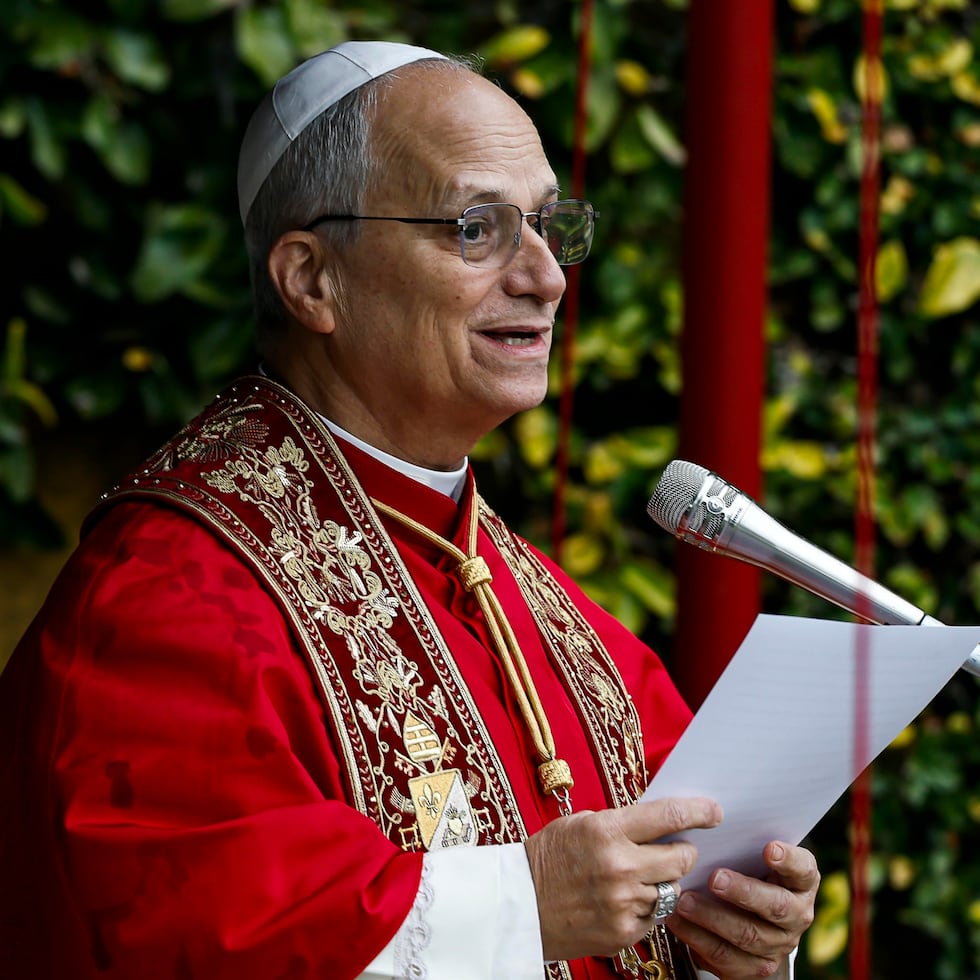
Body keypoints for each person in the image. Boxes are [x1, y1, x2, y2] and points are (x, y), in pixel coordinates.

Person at [0, 40, 819, 980]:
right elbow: (194, 933)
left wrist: (736, 934)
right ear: (312, 279)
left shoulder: (537, 598)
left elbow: (688, 848)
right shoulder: (168, 596)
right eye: (477, 227)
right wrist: (524, 908)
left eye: (549, 225)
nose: (546, 276)